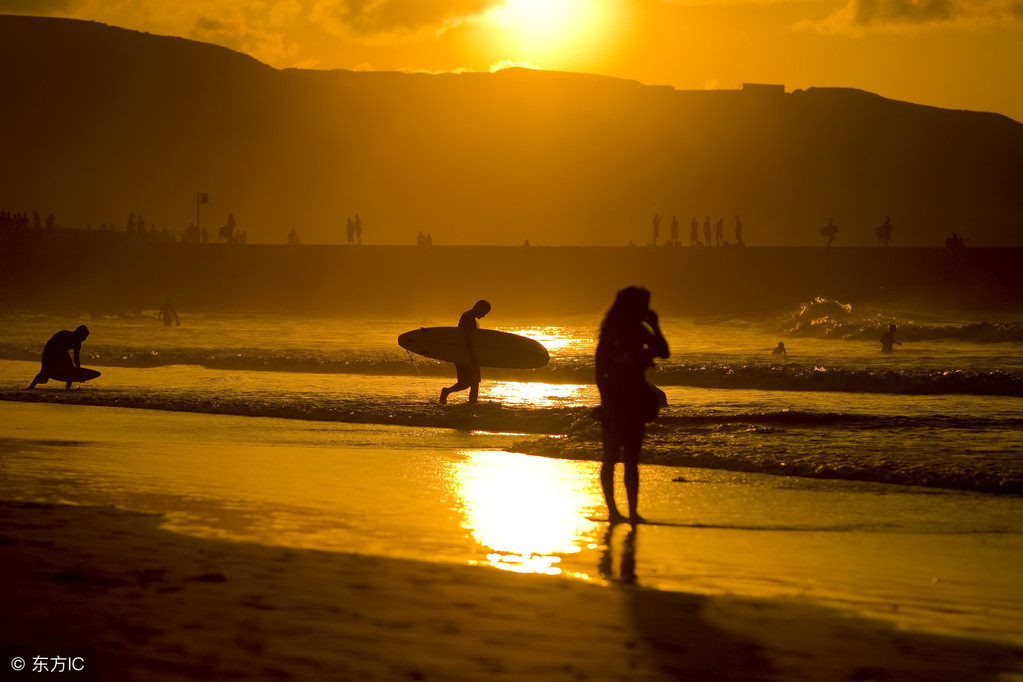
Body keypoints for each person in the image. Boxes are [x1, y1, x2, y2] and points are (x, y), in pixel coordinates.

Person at [595, 286, 669, 525]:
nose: (645, 310)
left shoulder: (641, 331)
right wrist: (606, 402)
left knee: (632, 459)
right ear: (628, 307)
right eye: (641, 305)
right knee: (611, 455)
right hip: (616, 400)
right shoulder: (611, 333)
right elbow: (599, 370)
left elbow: (664, 353)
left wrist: (656, 326)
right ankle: (614, 512)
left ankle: (633, 512)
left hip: (636, 399)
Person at [440, 300, 491, 404]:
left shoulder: (469, 317)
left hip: (466, 353)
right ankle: (446, 391)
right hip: (463, 354)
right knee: (465, 383)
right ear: (478, 309)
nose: (483, 316)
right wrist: (472, 356)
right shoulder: (469, 319)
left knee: (474, 382)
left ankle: (473, 403)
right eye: (484, 313)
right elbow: (467, 339)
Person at [28, 325, 98, 390]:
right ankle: (67, 388)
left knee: (69, 370)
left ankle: (67, 388)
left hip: (54, 350)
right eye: (85, 337)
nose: (85, 339)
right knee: (45, 373)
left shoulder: (74, 339)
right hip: (51, 350)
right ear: (80, 334)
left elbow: (76, 358)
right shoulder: (70, 336)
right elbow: (76, 358)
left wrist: (78, 372)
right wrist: (79, 373)